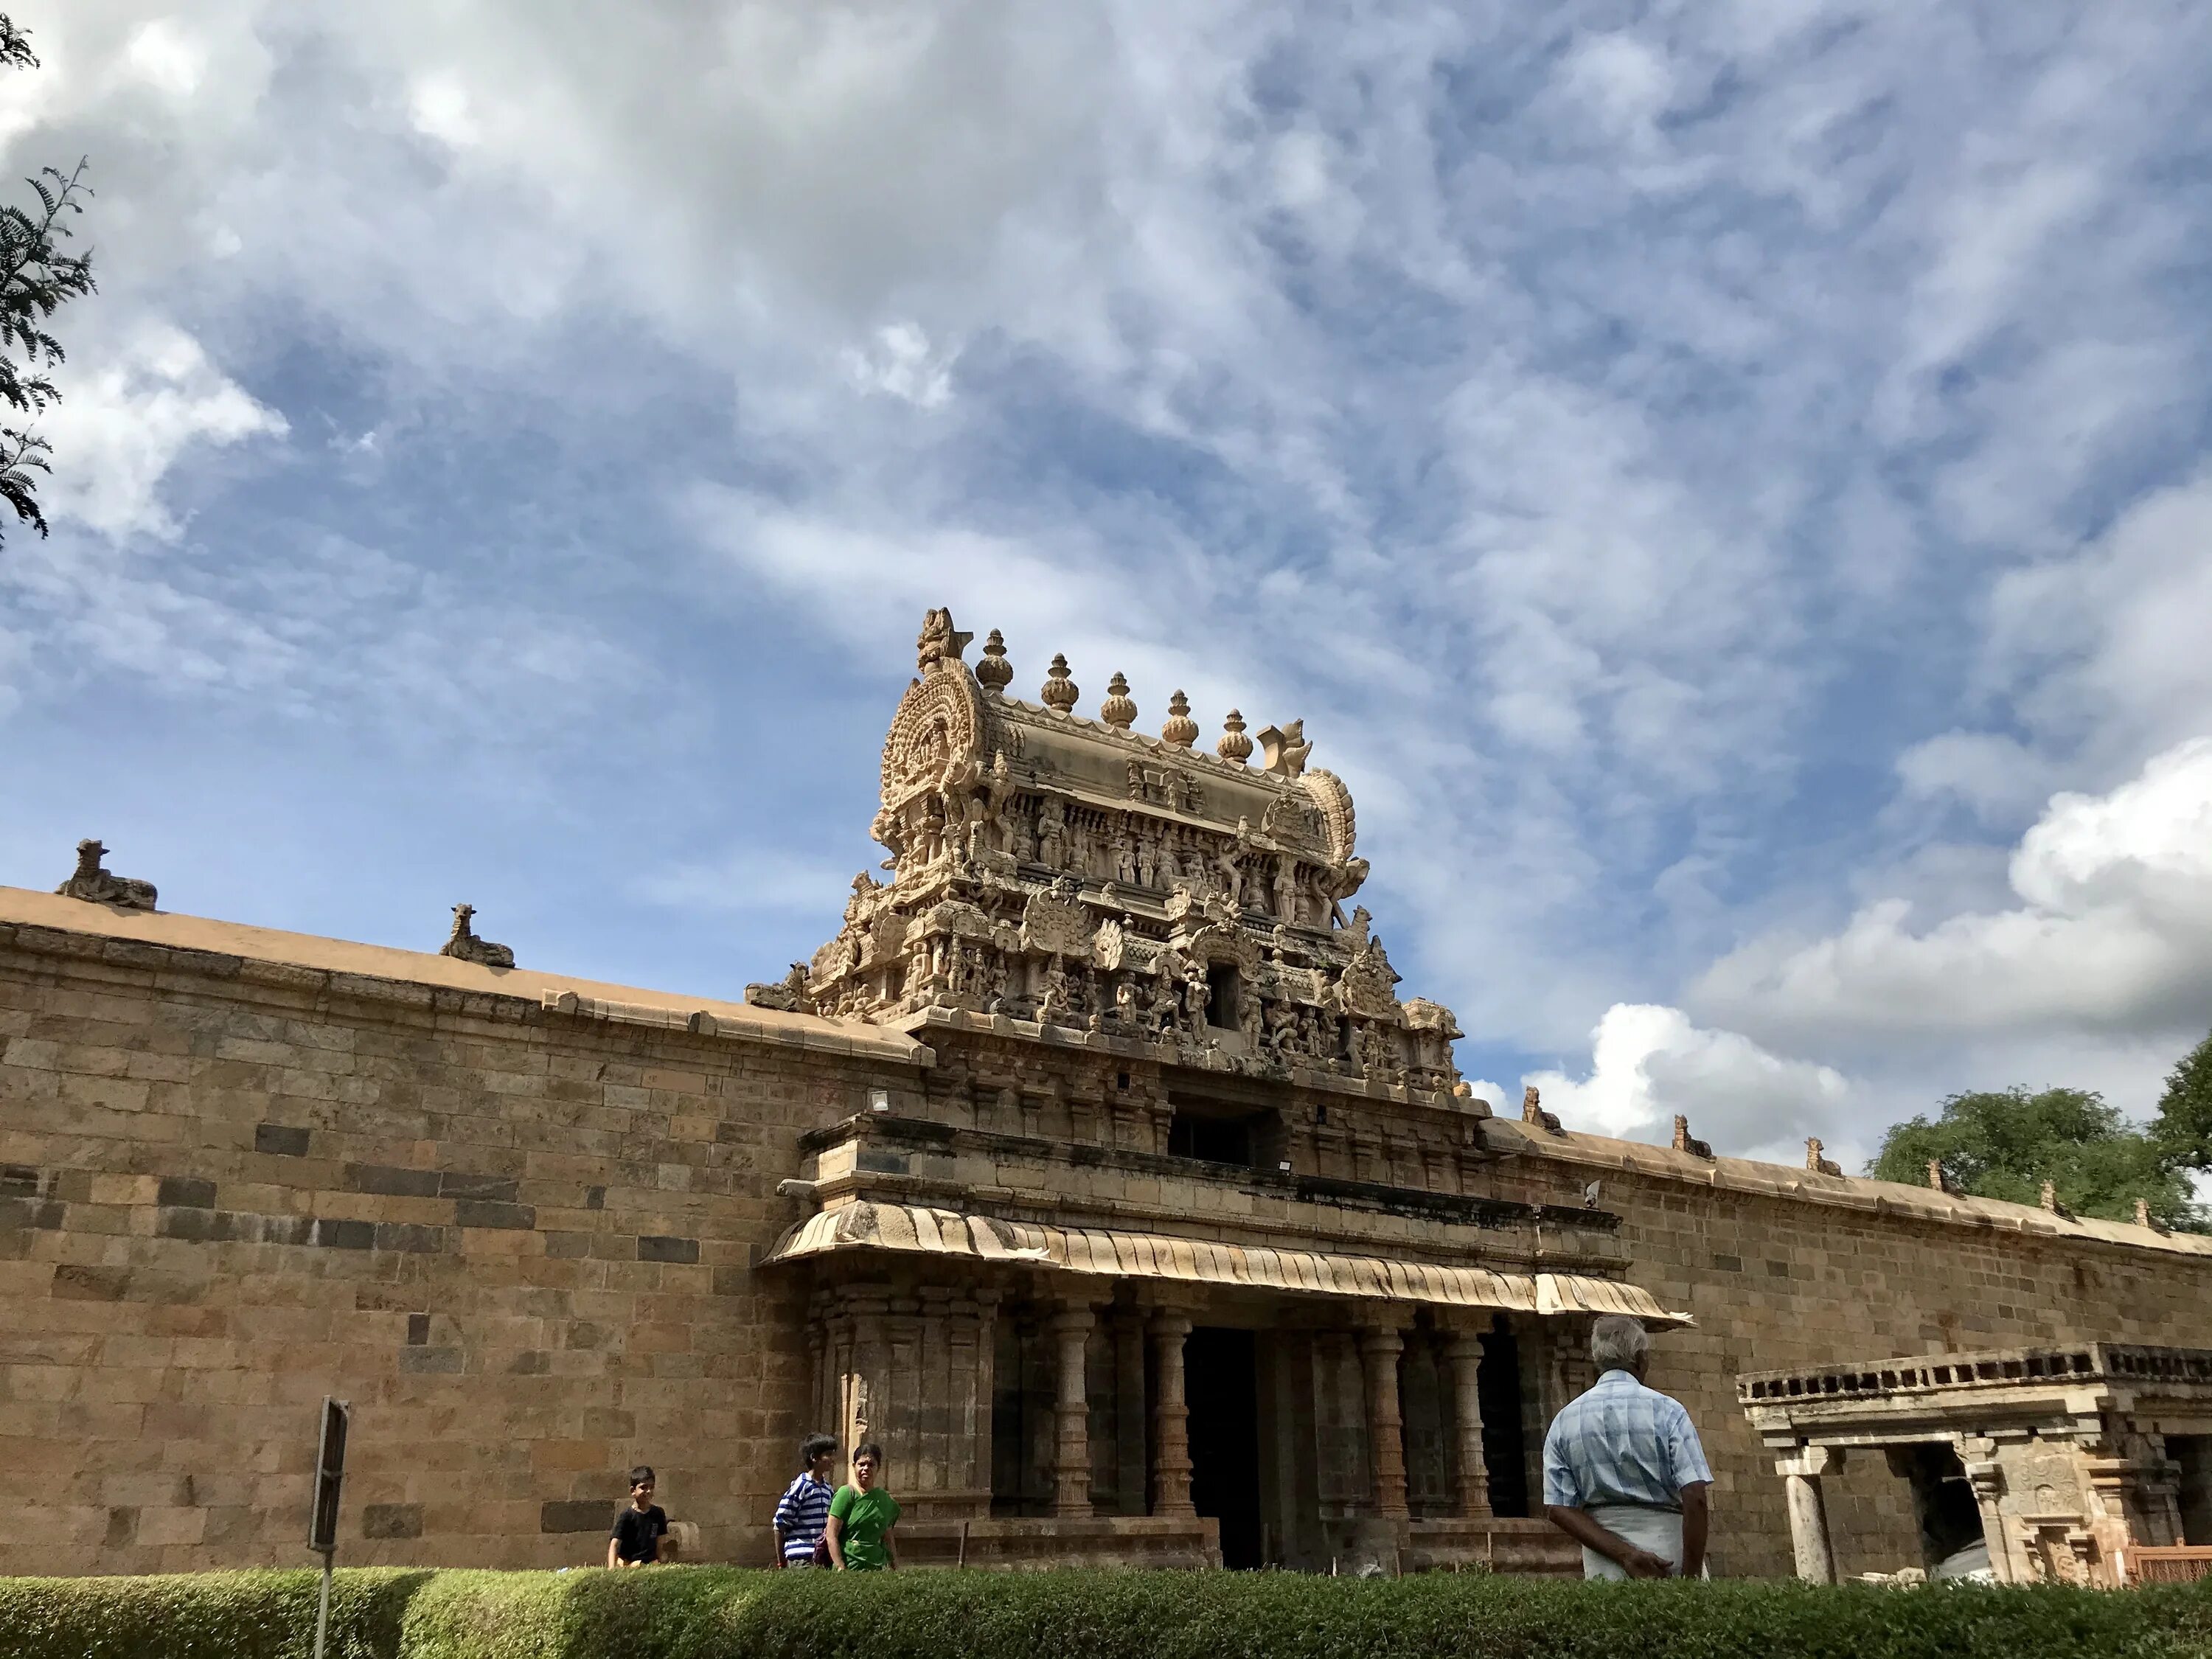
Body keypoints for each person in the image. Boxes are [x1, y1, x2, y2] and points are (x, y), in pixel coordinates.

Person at [1542, 1315, 1712, 1579]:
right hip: (1669, 1552)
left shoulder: (1565, 1420)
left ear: (1597, 1360)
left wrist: (1625, 1555)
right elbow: (1696, 1497)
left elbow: (1558, 1508)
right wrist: (1690, 1579)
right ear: (1641, 1358)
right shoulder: (1669, 1411)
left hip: (1606, 1560)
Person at [824, 1441, 899, 1571]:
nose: (866, 1469)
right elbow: (831, 1535)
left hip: (877, 1568)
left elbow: (888, 1538)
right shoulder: (846, 1494)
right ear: (854, 1466)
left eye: (871, 1465)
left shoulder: (884, 1499)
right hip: (850, 1567)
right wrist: (840, 1567)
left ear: (878, 1468)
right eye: (861, 1464)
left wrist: (895, 1567)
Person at [773, 1434, 838, 1568]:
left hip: (822, 1556)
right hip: (802, 1557)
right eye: (828, 1455)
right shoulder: (801, 1486)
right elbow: (780, 1523)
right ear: (814, 1458)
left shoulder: (828, 1489)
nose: (832, 1459)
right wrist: (781, 1561)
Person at [607, 1466, 668, 1568]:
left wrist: (662, 1561)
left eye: (651, 1487)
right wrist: (611, 1569)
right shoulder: (627, 1515)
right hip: (629, 1562)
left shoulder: (658, 1513)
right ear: (633, 1491)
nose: (648, 1491)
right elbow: (614, 1544)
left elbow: (660, 1543)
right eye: (643, 1488)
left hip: (650, 1562)